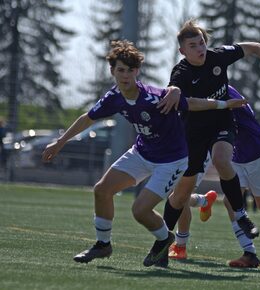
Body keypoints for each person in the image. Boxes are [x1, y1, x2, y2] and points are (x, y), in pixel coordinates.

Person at [41, 40, 246, 267]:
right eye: (120, 70)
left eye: (130, 70)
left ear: (137, 72)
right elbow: (87, 119)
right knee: (101, 190)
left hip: (172, 160)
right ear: (113, 71)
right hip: (142, 153)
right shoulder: (114, 98)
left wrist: (223, 105)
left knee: (140, 211)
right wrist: (60, 143)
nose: (125, 75)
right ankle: (102, 244)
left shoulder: (155, 97)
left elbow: (192, 103)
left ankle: (165, 238)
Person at [158, 19, 260, 259]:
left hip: (252, 150)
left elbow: (256, 48)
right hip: (207, 141)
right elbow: (177, 93)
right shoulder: (182, 73)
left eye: (202, 43)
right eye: (193, 45)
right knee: (183, 194)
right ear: (182, 51)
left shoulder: (222, 68)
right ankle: (175, 244)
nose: (200, 49)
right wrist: (173, 92)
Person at [169, 86, 260, 268]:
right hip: (237, 155)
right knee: (231, 202)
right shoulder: (210, 89)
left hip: (257, 150)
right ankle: (249, 254)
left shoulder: (221, 89)